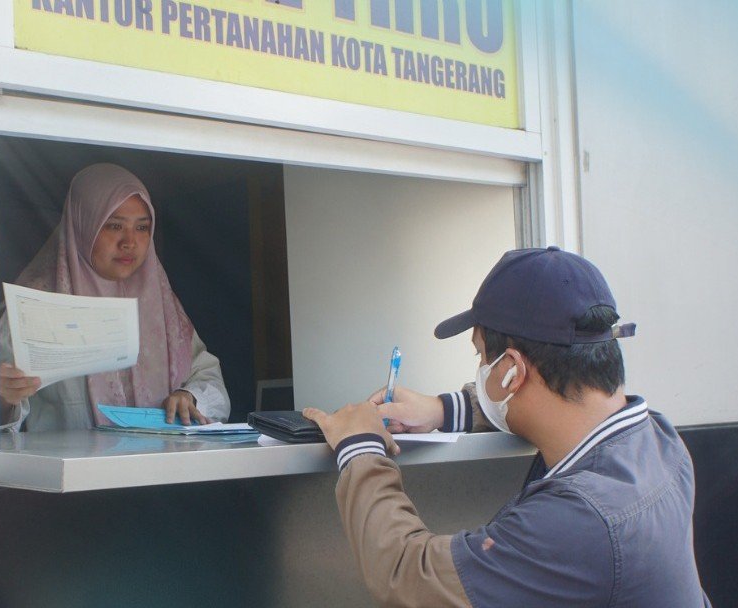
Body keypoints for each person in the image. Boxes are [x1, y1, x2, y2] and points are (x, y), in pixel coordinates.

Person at [303, 246, 711, 607]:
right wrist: (446, 410)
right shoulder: (658, 441)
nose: (481, 368)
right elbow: (559, 408)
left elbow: (409, 575)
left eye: (482, 357)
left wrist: (360, 445)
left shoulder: (581, 520)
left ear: (512, 370)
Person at [0, 163, 230, 431]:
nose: (129, 242)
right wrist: (4, 397)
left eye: (142, 228)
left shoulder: (161, 305)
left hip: (163, 458)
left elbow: (210, 381)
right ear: (82, 226)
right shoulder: (33, 308)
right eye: (114, 225)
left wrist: (189, 397)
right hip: (71, 459)